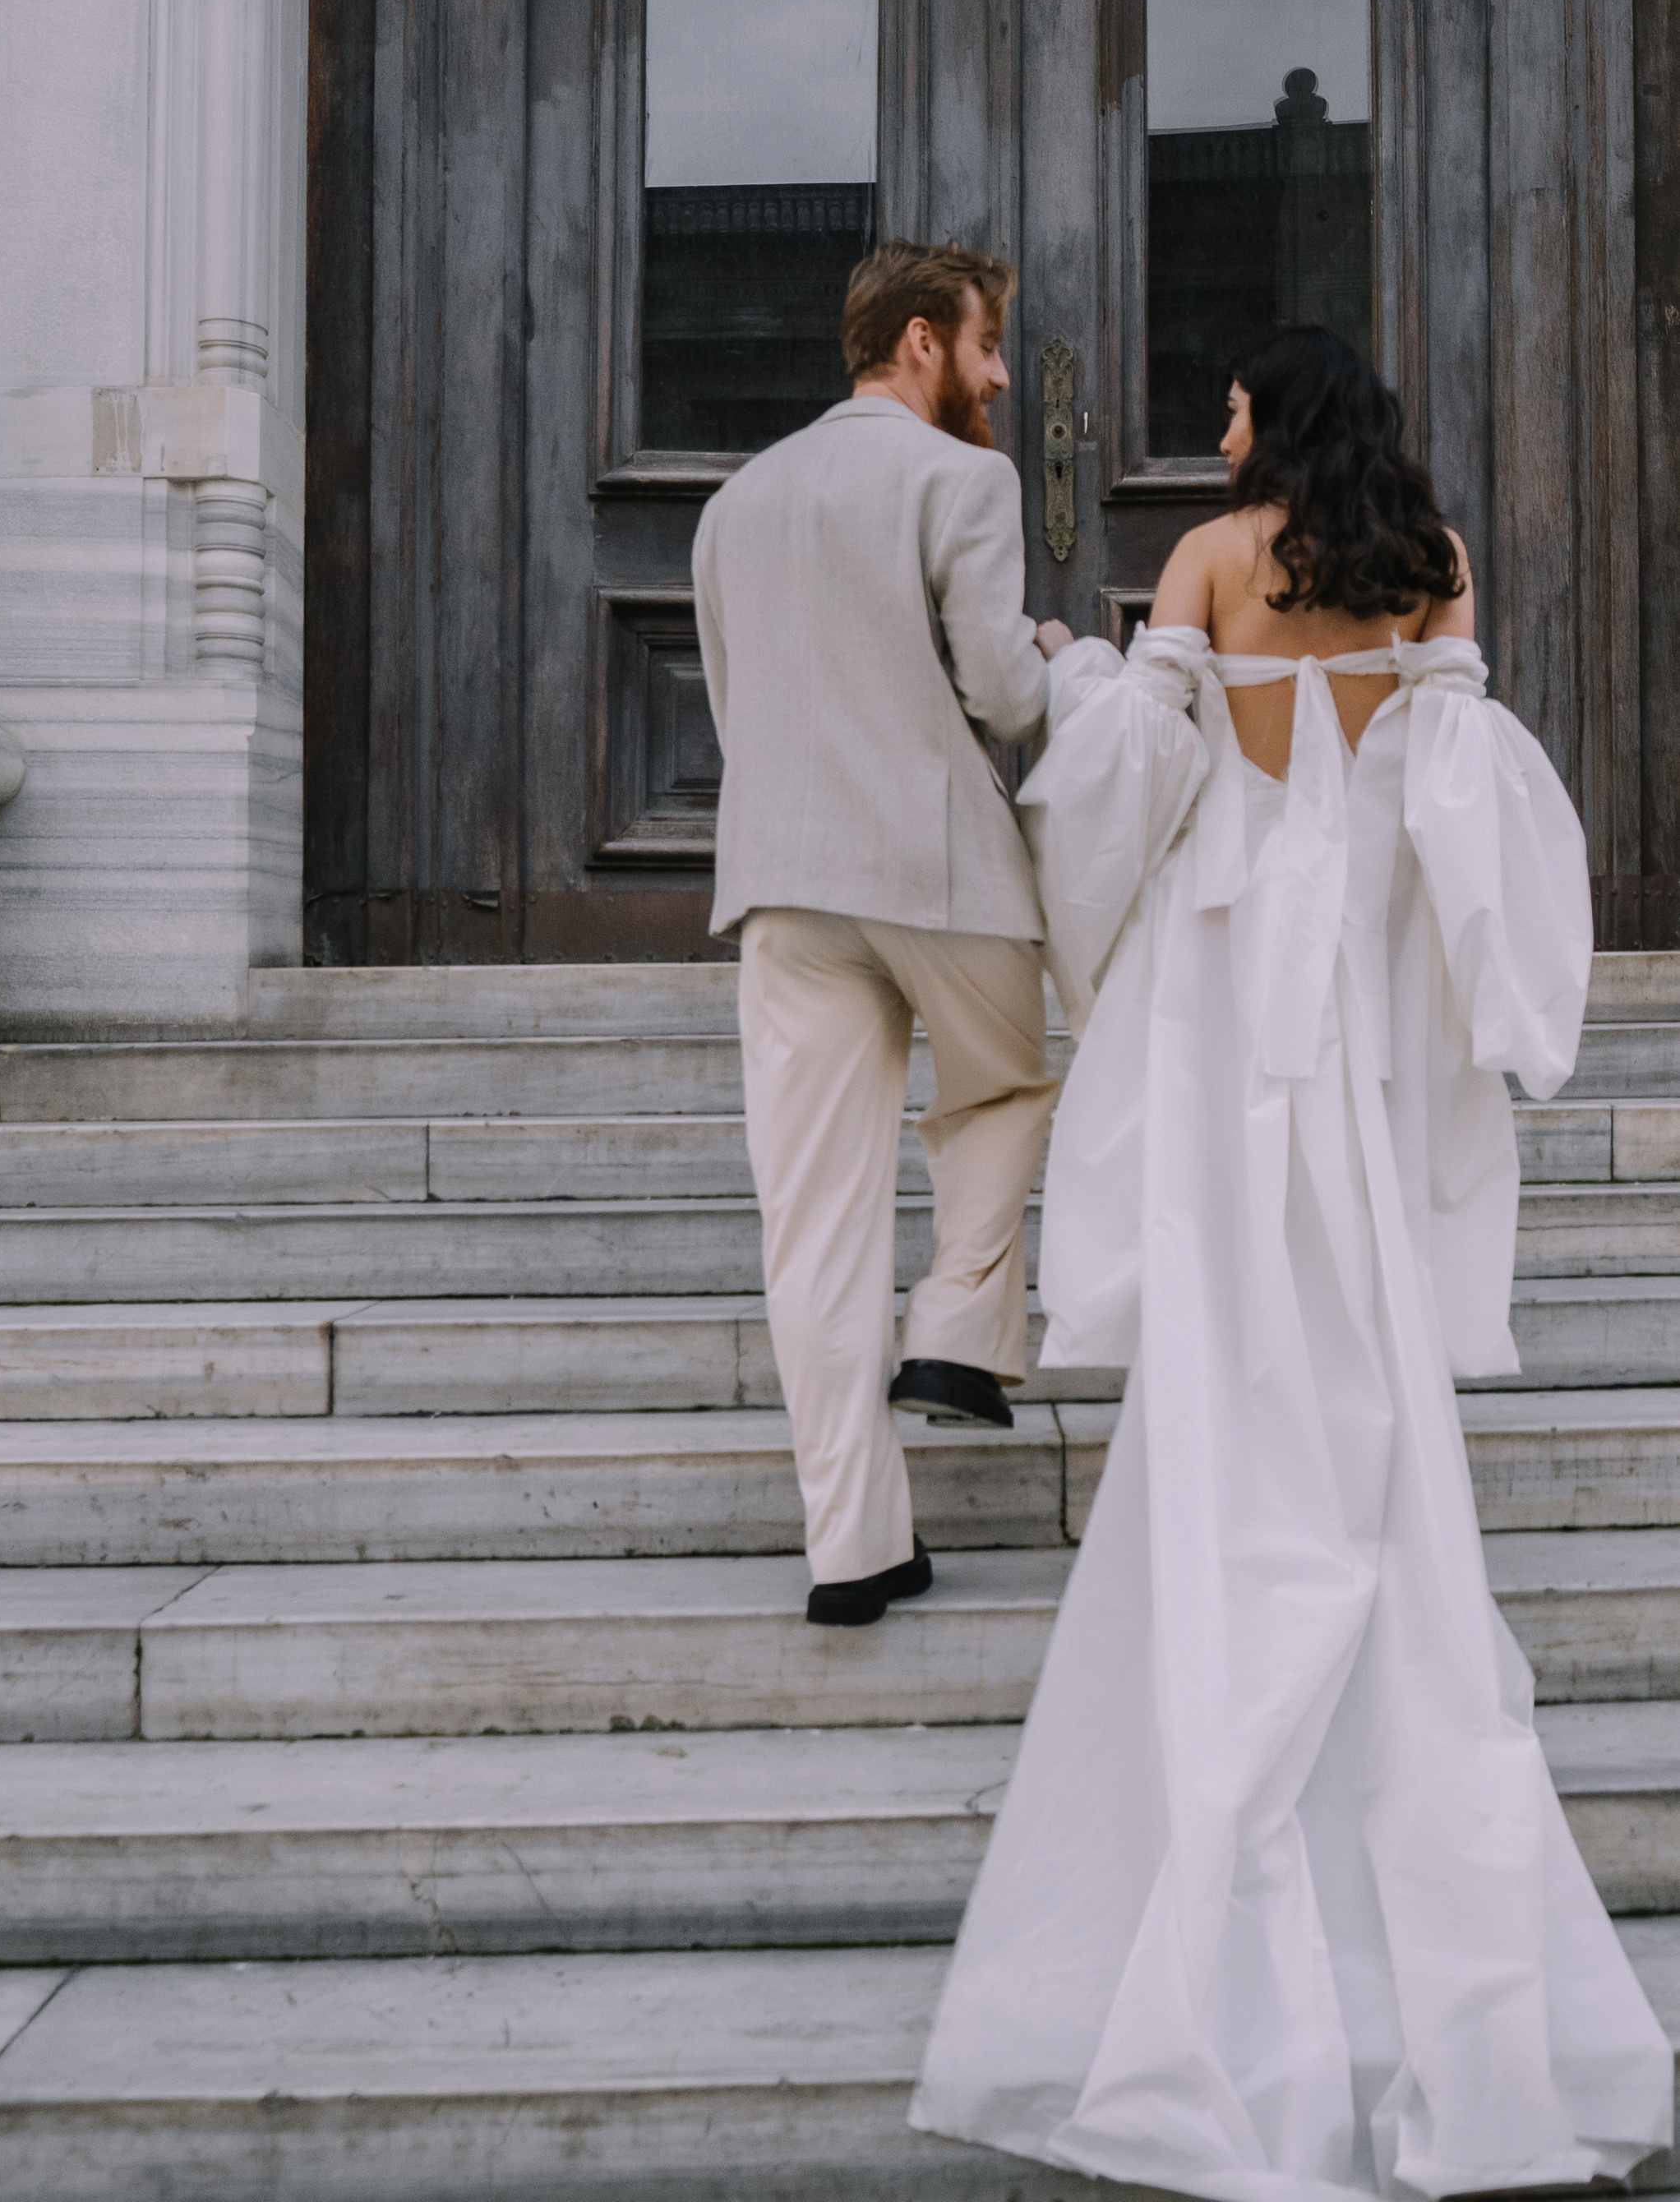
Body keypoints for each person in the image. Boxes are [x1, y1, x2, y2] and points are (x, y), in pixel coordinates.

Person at [913, 323, 1673, 2200]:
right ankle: (1344, 1469)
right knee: (1355, 1264)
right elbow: (1458, 792)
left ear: (1276, 417)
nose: (1221, 423)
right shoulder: (1431, 559)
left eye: (1236, 403)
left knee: (1230, 1252)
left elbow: (1129, 780)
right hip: (1358, 979)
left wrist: (1086, 715)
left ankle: (1252, 1491)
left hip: (1226, 956)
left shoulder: (1205, 556)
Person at [693, 239, 1095, 1628]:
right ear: (922, 341)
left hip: (786, 882)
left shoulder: (733, 505)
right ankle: (959, 1333)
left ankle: (854, 1551)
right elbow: (1001, 693)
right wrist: (1053, 658)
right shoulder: (962, 479)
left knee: (813, 1225)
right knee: (1003, 1089)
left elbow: (737, 707)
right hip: (939, 870)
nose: (1001, 378)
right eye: (988, 347)